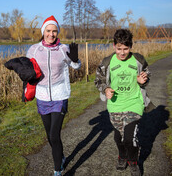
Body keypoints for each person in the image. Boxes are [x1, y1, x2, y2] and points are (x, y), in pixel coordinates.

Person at [26, 15, 81, 176]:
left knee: (54, 134)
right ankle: (61, 157)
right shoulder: (34, 50)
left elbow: (76, 66)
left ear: (58, 32)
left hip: (59, 95)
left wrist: (76, 59)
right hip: (42, 96)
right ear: (43, 32)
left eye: (54, 31)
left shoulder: (64, 49)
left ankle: (58, 170)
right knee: (49, 136)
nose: (51, 34)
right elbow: (28, 70)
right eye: (48, 31)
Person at [94, 29, 151, 176]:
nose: (122, 52)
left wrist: (142, 80)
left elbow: (147, 74)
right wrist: (105, 88)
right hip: (115, 105)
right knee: (118, 138)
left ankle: (133, 162)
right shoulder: (107, 62)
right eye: (119, 49)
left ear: (130, 46)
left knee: (129, 138)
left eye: (126, 49)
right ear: (114, 46)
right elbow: (98, 80)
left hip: (134, 103)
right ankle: (122, 156)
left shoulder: (138, 60)